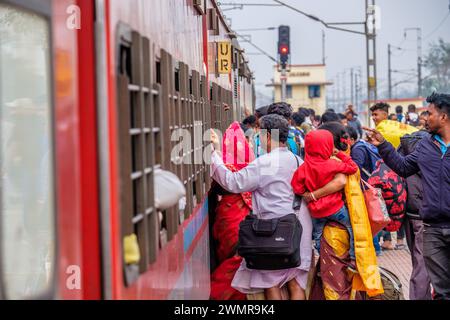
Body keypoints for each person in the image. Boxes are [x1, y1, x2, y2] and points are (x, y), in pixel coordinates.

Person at [210, 114, 313, 300]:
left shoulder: (265, 163)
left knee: (271, 283)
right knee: (296, 284)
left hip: (274, 231)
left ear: (268, 136)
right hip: (300, 229)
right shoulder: (299, 161)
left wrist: (214, 157)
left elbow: (233, 183)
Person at [364, 92, 450, 300]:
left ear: (443, 117)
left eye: (429, 114)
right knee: (441, 291)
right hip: (432, 228)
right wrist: (383, 146)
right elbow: (403, 167)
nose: (424, 118)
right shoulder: (425, 145)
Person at [291, 130, 358, 261]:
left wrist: (307, 194)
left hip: (316, 212)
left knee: (318, 236)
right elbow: (353, 167)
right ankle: (353, 256)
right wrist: (339, 153)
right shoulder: (332, 164)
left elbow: (297, 188)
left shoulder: (303, 168)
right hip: (336, 208)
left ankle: (323, 257)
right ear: (328, 145)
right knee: (351, 227)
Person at [210, 122, 254, 300]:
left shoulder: (227, 164)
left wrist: (214, 152)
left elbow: (221, 181)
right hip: (242, 218)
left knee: (231, 262)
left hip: (229, 215)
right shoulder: (250, 164)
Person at [399, 129, 433, 300]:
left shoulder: (403, 150)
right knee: (423, 264)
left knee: (417, 260)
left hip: (408, 212)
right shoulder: (430, 153)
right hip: (425, 215)